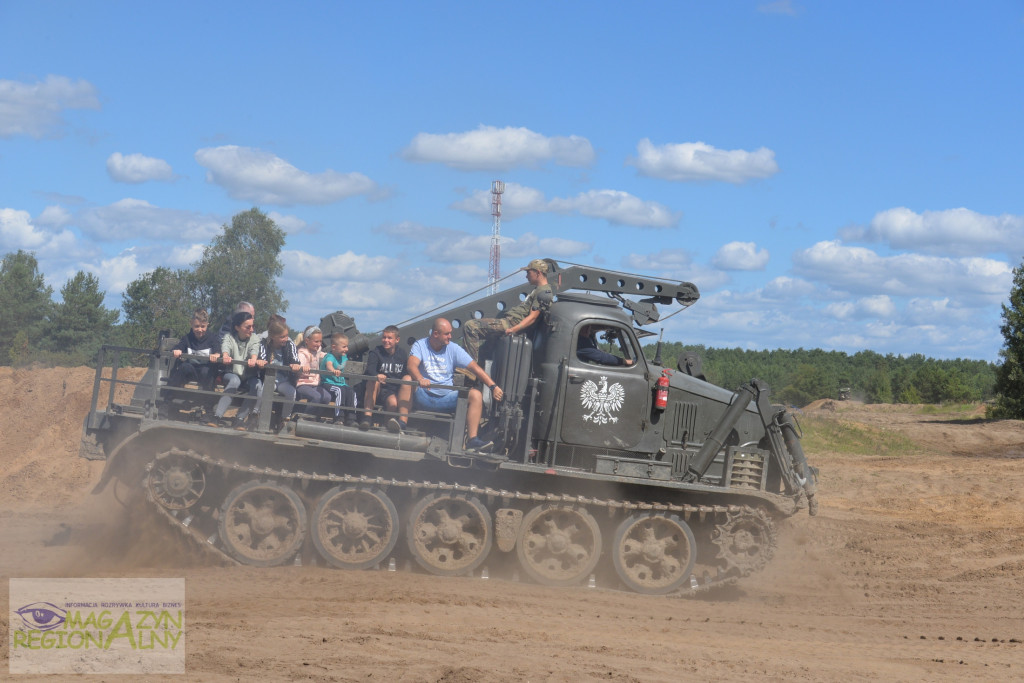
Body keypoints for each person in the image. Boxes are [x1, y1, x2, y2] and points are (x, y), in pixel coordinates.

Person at [395, 318, 503, 452]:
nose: (450, 337)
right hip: (424, 396)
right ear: (435, 334)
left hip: (446, 399)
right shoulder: (420, 345)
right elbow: (411, 365)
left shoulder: (453, 348)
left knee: (475, 395)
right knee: (407, 379)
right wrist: (420, 378)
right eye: (447, 334)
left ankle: (472, 440)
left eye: (450, 333)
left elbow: (475, 368)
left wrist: (493, 387)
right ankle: (402, 425)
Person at [462, 258, 554, 362]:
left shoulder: (543, 292)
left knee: (471, 326)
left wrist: (513, 329)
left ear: (538, 273)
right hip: (511, 322)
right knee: (486, 347)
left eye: (528, 272)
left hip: (512, 323)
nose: (526, 276)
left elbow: (533, 317)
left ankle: (469, 367)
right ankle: (476, 371)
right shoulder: (538, 290)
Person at [209, 311, 261, 428]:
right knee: (234, 381)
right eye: (248, 327)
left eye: (253, 326)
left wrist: (253, 358)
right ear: (237, 327)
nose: (252, 329)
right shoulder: (229, 337)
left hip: (248, 375)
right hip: (232, 373)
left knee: (257, 386)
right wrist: (226, 355)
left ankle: (240, 418)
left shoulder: (254, 338)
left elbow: (254, 349)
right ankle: (217, 416)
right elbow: (225, 346)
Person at [360, 324, 409, 431]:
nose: (386, 340)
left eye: (389, 338)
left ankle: (388, 425)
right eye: (384, 337)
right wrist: (377, 375)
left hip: (391, 389)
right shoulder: (376, 352)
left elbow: (406, 372)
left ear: (397, 340)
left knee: (393, 404)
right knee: (373, 380)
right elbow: (370, 369)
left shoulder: (402, 354)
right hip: (376, 387)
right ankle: (367, 418)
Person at [255, 318, 302, 423]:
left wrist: (295, 364)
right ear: (272, 337)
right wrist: (261, 362)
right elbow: (261, 356)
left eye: (286, 335)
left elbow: (295, 358)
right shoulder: (264, 343)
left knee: (292, 393)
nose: (286, 339)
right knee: (263, 391)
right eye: (282, 337)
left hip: (283, 380)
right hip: (269, 378)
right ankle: (255, 413)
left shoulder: (290, 344)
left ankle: (285, 418)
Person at [167, 308, 221, 391]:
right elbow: (178, 347)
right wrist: (176, 350)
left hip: (207, 373)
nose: (200, 330)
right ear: (191, 324)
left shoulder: (213, 338)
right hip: (192, 372)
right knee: (184, 367)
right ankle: (171, 396)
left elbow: (218, 349)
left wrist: (216, 354)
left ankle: (208, 400)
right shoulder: (187, 338)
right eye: (196, 326)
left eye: (203, 326)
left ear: (207, 325)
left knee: (206, 371)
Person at [321, 332, 358, 426]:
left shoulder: (344, 357)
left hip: (341, 383)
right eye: (344, 347)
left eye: (347, 346)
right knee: (339, 391)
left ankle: (351, 418)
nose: (347, 349)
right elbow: (328, 365)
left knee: (351, 392)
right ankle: (339, 418)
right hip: (328, 383)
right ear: (334, 347)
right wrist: (333, 370)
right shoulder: (330, 356)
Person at [295, 325, 331, 415]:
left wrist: (330, 358)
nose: (319, 344)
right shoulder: (302, 353)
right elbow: (300, 365)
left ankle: (316, 416)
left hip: (314, 384)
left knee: (327, 397)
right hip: (302, 384)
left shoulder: (317, 351)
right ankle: (305, 416)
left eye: (320, 341)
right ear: (307, 341)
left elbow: (322, 355)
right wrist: (303, 368)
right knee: (317, 396)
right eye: (316, 341)